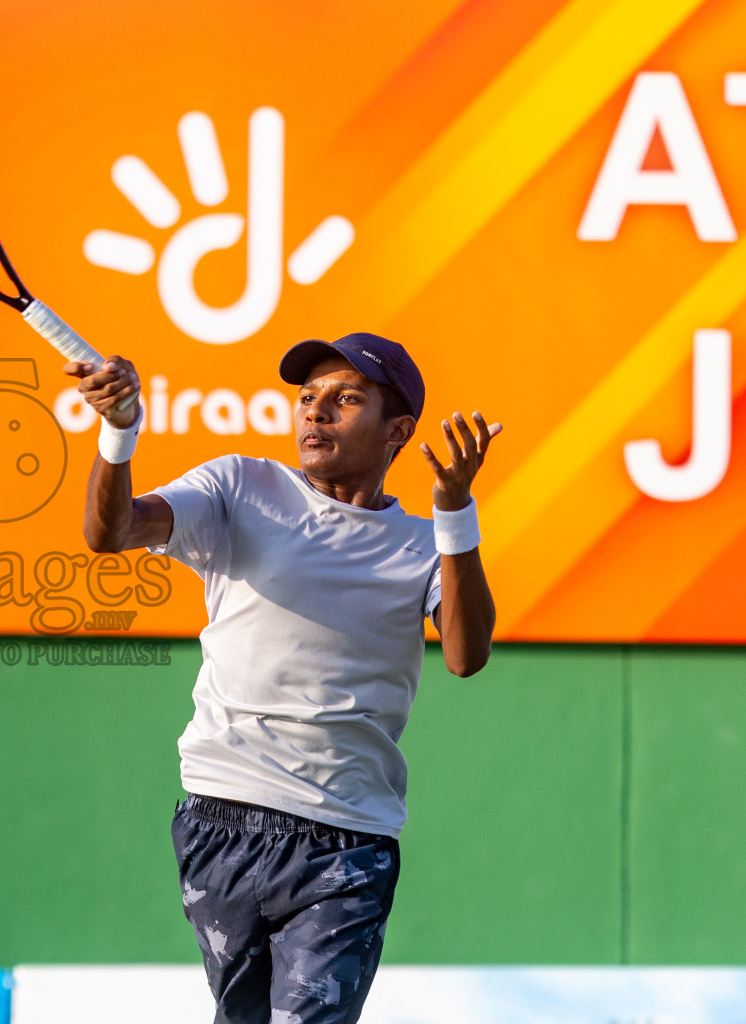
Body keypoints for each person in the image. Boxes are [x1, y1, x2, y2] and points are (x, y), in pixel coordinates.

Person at [64, 333, 502, 1024]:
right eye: (306, 398)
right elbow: (111, 530)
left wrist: (455, 516)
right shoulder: (239, 486)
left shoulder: (425, 545)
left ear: (399, 431)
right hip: (220, 820)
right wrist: (120, 432)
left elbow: (465, 653)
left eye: (345, 399)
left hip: (346, 840)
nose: (315, 414)